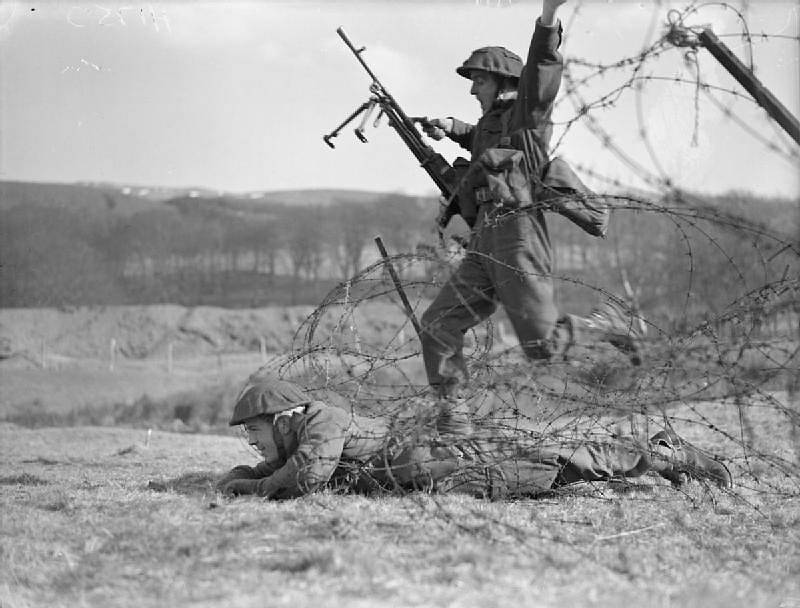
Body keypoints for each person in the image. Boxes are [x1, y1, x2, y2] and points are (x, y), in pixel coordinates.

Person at [418, 0, 643, 405]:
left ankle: (607, 331)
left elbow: (541, 72)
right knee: (438, 322)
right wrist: (451, 128)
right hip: (484, 238)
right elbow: (483, 139)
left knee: (543, 346)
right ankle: (452, 412)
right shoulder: (492, 125)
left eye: (479, 81)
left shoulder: (526, 119)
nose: (472, 89)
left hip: (517, 234)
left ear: (504, 83)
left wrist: (548, 16)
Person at [216, 376, 732, 499]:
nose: (254, 445)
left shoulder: (322, 420)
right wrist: (247, 476)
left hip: (459, 465)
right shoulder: (308, 430)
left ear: (283, 418)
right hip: (443, 469)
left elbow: (306, 475)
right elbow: (292, 466)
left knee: (560, 463)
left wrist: (253, 486)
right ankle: (654, 452)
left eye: (255, 433)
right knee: (555, 462)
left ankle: (664, 455)